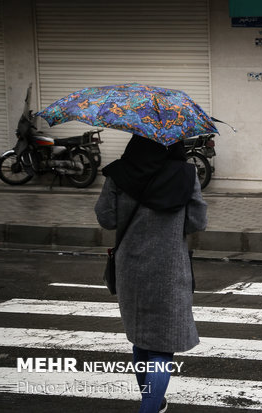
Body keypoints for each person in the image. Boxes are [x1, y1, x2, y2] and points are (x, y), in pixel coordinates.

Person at [94, 135, 207, 413]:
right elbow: (196, 222)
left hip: (130, 268)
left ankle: (152, 403)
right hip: (169, 268)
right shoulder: (185, 174)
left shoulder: (119, 172)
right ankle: (150, 406)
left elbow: (106, 218)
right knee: (161, 347)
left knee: (140, 338)